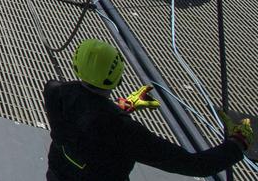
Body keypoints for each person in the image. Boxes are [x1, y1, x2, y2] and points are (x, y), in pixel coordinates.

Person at [43, 38, 251, 179]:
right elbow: (195, 165)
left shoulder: (54, 92)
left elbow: (84, 120)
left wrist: (121, 107)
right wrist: (238, 143)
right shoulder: (125, 132)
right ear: (118, 79)